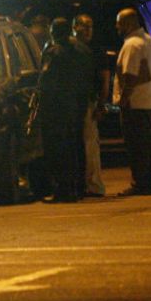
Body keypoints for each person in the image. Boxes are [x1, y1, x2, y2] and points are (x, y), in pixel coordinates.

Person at [37, 17, 93, 203]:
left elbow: (45, 81)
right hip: (77, 105)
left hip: (57, 108)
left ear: (54, 32)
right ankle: (78, 187)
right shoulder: (82, 50)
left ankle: (63, 190)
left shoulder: (54, 52)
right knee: (76, 146)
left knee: (58, 149)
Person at [113, 8, 151, 196]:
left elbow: (130, 75)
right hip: (148, 101)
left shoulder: (132, 44)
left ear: (129, 23)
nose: (117, 26)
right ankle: (148, 181)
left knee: (136, 145)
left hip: (135, 103)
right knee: (146, 145)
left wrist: (123, 98)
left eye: (120, 22)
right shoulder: (148, 40)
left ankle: (140, 183)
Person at [72, 13, 110, 197]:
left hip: (88, 101)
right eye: (84, 26)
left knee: (90, 145)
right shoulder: (70, 49)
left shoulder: (96, 50)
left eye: (90, 27)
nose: (88, 31)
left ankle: (94, 185)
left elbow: (104, 78)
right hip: (72, 103)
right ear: (74, 28)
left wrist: (101, 103)